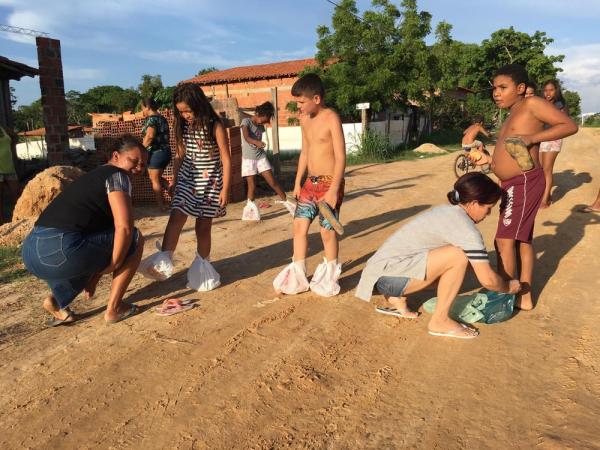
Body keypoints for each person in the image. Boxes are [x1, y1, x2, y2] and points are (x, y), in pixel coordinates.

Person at [355, 173, 521, 339]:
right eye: (488, 208)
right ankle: (439, 321)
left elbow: (477, 268)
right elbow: (488, 281)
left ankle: (397, 299)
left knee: (456, 258)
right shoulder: (466, 229)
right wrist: (507, 287)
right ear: (474, 203)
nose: (488, 214)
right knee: (458, 256)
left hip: (377, 275)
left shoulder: (447, 212)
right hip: (387, 279)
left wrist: (487, 271)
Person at [470, 64, 578, 310]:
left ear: (520, 88)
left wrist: (532, 139)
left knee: (504, 241)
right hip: (511, 183)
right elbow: (508, 151)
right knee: (522, 240)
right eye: (495, 88)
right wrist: (489, 160)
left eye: (503, 87)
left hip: (524, 182)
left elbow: (569, 126)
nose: (496, 93)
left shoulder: (532, 104)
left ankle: (505, 297)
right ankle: (525, 297)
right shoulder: (511, 112)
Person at [22, 135, 147, 326]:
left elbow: (98, 240)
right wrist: (114, 264)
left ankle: (57, 302)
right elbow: (125, 227)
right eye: (134, 160)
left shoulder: (92, 177)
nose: (139, 168)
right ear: (115, 156)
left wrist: (95, 276)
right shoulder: (117, 176)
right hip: (61, 250)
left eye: (143, 164)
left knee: (89, 245)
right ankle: (115, 309)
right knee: (135, 239)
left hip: (31, 252)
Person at [273, 74, 346, 297]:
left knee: (327, 232)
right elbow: (305, 151)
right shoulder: (304, 120)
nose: (299, 106)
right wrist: (297, 181)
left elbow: (342, 156)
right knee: (299, 227)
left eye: (302, 102)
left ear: (316, 98)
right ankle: (298, 275)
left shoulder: (331, 117)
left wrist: (334, 189)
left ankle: (330, 274)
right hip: (310, 184)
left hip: (329, 184)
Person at [159, 83, 231, 280]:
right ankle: (163, 261)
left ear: (199, 105)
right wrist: (174, 178)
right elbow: (179, 154)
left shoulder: (214, 125)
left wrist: (225, 188)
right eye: (181, 112)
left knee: (203, 225)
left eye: (188, 111)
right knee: (176, 216)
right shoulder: (181, 125)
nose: (186, 115)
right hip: (187, 177)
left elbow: (226, 158)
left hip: (210, 183)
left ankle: (203, 266)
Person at [240, 101, 295, 218]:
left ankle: (287, 202)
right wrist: (257, 142)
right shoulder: (246, 122)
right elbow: (246, 137)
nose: (266, 122)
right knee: (252, 185)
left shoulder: (261, 126)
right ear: (260, 113)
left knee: (273, 182)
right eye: (265, 118)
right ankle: (250, 208)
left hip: (260, 157)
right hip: (248, 159)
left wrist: (260, 144)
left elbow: (260, 131)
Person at [539, 79, 569, 208]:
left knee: (547, 169)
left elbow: (563, 124)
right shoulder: (542, 103)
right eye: (545, 90)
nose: (548, 93)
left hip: (554, 138)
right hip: (541, 138)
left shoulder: (560, 104)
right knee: (540, 169)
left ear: (556, 90)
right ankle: (546, 195)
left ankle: (545, 200)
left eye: (551, 90)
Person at [141, 97, 172, 210]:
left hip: (156, 153)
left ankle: (161, 205)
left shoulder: (152, 120)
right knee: (156, 177)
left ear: (148, 107)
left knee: (154, 180)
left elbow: (149, 136)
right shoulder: (162, 118)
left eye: (142, 109)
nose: (142, 112)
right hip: (165, 152)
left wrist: (141, 150)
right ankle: (171, 190)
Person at [0, 125, 21, 224]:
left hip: (9, 167)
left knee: (17, 193)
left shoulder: (3, 128)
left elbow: (15, 136)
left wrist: (12, 150)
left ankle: (20, 217)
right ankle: (2, 225)